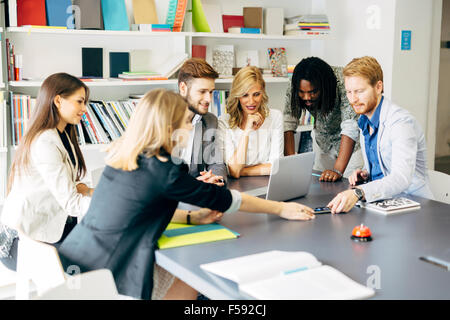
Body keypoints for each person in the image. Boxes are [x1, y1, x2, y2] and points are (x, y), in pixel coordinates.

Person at [57, 88, 315, 300]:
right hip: (109, 274)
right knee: (193, 274)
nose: (190, 128)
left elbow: (142, 210)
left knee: (183, 275)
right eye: (185, 122)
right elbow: (227, 200)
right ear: (169, 127)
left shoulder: (126, 156)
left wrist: (193, 218)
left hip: (75, 258)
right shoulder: (163, 171)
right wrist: (281, 208)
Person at [0, 73, 94, 271]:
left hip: (49, 228)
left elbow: (58, 186)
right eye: (79, 102)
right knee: (98, 259)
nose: (84, 109)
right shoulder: (45, 141)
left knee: (104, 244)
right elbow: (71, 204)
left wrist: (87, 190)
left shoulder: (63, 135)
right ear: (58, 100)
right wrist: (112, 202)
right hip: (21, 244)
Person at [327, 56, 434, 214]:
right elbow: (383, 165)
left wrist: (359, 192)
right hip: (384, 204)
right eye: (349, 92)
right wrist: (365, 173)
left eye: (359, 91)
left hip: (414, 205)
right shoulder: (364, 121)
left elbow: (401, 178)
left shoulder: (401, 123)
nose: (353, 99)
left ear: (378, 87)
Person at [283, 57, 363, 181]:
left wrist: (337, 170)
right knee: (320, 188)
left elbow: (350, 127)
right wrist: (290, 163)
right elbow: (289, 120)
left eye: (313, 92)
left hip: (351, 146)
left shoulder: (343, 82)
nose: (306, 97)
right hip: (322, 141)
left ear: (324, 86)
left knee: (348, 188)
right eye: (302, 93)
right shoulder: (296, 83)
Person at [218, 66, 283, 178]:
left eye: (256, 94)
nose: (251, 101)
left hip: (268, 185)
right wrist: (247, 131)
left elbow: (276, 167)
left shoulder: (275, 117)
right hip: (237, 188)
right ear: (237, 96)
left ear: (263, 93)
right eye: (245, 95)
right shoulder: (224, 122)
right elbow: (234, 170)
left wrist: (242, 171)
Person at [176, 58, 227, 186]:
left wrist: (215, 179)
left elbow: (216, 162)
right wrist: (189, 185)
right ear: (183, 88)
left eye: (211, 92)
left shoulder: (209, 121)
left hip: (195, 196)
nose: (208, 99)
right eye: (202, 91)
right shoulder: (159, 119)